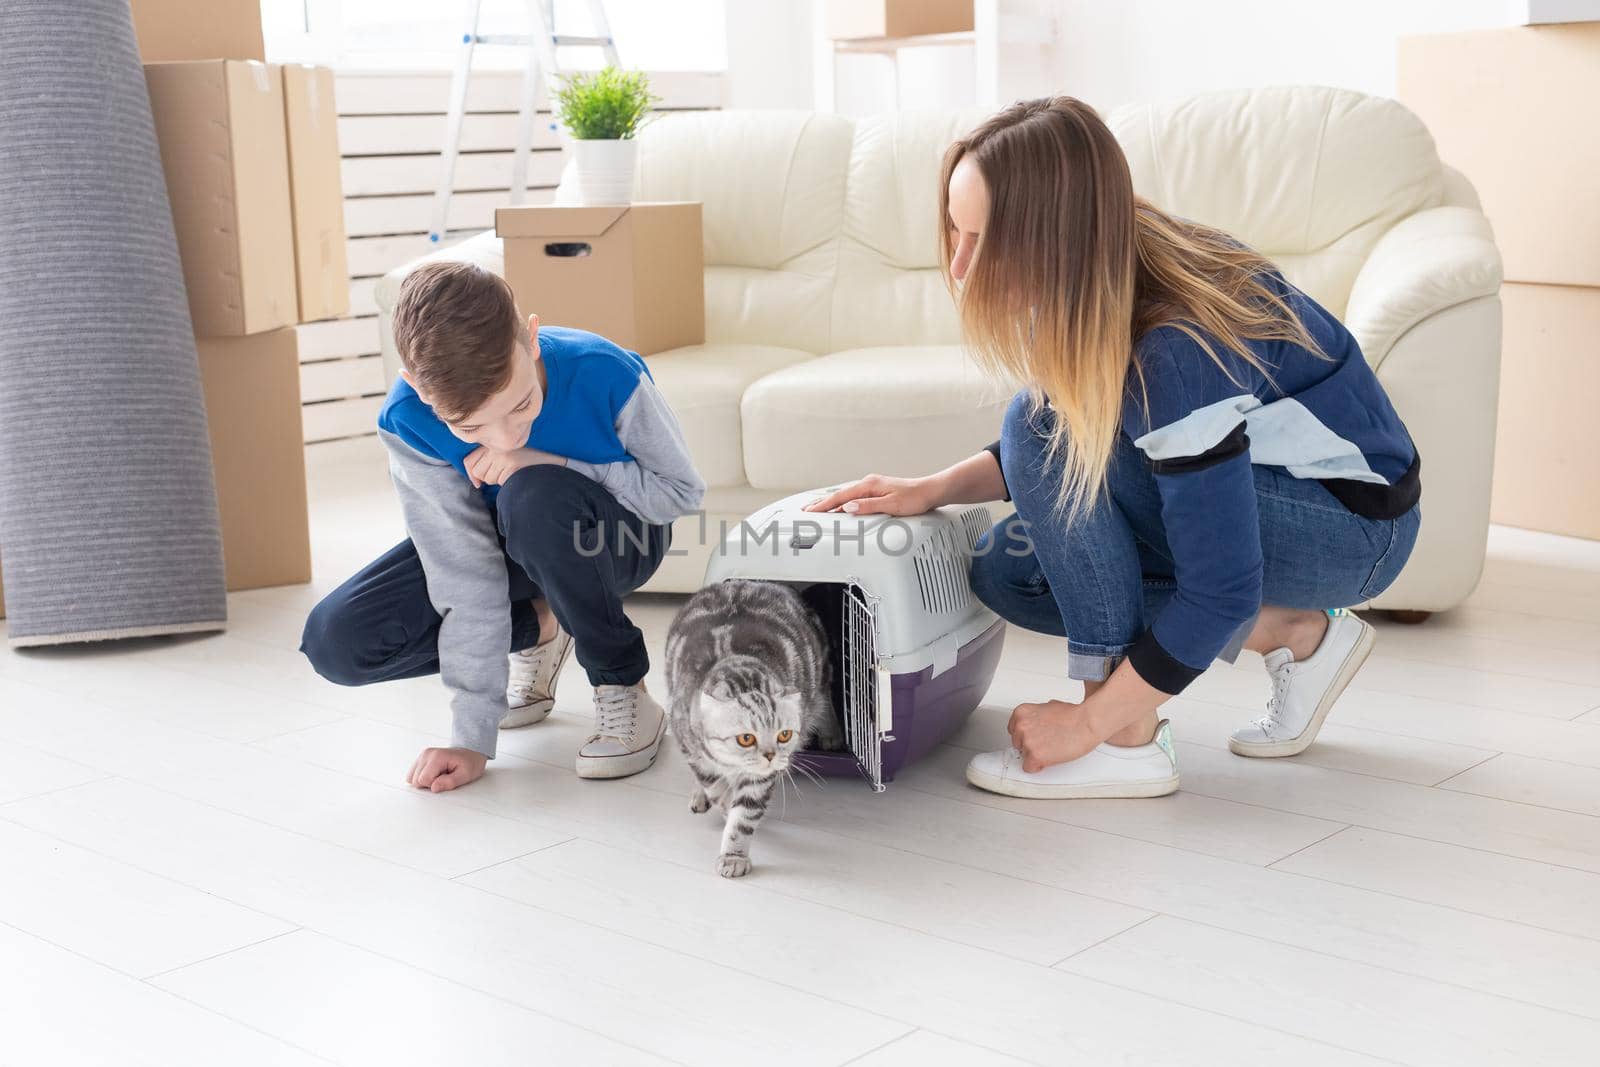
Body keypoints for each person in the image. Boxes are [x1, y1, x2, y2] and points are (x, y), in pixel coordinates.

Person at [807, 97, 1420, 800]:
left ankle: (1128, 746)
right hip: (1278, 491)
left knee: (1033, 423)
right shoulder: (1110, 258)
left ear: (1055, 237)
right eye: (956, 231)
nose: (961, 268)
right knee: (1011, 571)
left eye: (989, 241)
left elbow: (1216, 588)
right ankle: (1296, 633)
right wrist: (936, 487)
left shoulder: (1174, 348)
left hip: (1356, 525)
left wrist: (1087, 723)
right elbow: (1096, 427)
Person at [301, 261, 705, 792]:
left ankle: (623, 687)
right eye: (470, 427)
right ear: (414, 385)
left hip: (622, 537)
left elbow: (678, 494)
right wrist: (472, 734)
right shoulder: (406, 421)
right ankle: (542, 625)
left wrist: (552, 462)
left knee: (532, 491)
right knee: (338, 641)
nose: (505, 438)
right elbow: (462, 567)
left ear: (532, 340)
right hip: (510, 543)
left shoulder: (603, 371)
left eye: (521, 406)